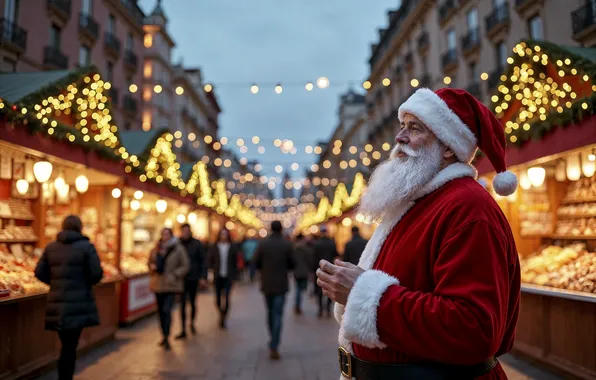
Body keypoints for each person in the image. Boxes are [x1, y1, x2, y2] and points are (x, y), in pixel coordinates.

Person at [317, 87, 520, 380]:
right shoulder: (419, 204)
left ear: (449, 146)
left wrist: (363, 292)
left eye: (414, 128)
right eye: (402, 126)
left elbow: (473, 328)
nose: (399, 138)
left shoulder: (468, 208)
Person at [34, 215, 103, 380]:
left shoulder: (51, 247)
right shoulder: (87, 247)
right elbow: (96, 274)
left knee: (66, 344)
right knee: (70, 346)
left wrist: (56, 283)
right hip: (78, 304)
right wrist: (83, 283)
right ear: (80, 228)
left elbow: (38, 272)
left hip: (57, 303)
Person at [252, 221, 294, 360]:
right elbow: (292, 264)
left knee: (270, 313)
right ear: (281, 229)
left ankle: (272, 339)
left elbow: (256, 262)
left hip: (267, 284)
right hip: (281, 284)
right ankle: (274, 344)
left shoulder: (263, 244)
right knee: (278, 314)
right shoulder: (287, 244)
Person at [148, 228, 190, 350]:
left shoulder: (178, 249)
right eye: (163, 234)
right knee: (160, 311)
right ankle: (163, 334)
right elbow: (149, 261)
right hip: (158, 284)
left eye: (167, 234)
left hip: (171, 285)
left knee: (167, 310)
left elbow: (185, 265)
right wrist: (152, 268)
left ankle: (167, 335)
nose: (164, 236)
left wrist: (175, 274)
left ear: (171, 236)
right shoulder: (156, 248)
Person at [176, 223, 207, 339]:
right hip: (181, 278)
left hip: (193, 277)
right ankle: (183, 328)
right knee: (182, 303)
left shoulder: (197, 244)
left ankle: (192, 323)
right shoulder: (177, 244)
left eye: (187, 231)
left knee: (193, 302)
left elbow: (203, 260)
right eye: (183, 231)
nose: (185, 233)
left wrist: (203, 277)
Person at [208, 228, 239, 329]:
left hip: (228, 276)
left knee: (226, 297)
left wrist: (235, 276)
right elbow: (210, 261)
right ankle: (221, 312)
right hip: (218, 276)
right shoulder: (214, 247)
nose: (223, 236)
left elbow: (236, 263)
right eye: (222, 234)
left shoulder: (232, 247)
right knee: (217, 299)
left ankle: (224, 317)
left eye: (225, 234)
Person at [312, 225, 337, 318]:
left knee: (319, 289)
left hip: (318, 269)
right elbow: (336, 254)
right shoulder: (331, 243)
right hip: (330, 269)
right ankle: (327, 308)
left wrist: (312, 270)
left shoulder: (317, 244)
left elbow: (314, 257)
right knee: (330, 289)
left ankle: (320, 308)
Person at [292, 233, 313, 315]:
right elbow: (310, 260)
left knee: (297, 289)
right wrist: (310, 270)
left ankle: (297, 305)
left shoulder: (294, 248)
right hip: (304, 271)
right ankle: (298, 305)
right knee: (301, 289)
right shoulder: (306, 249)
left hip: (296, 271)